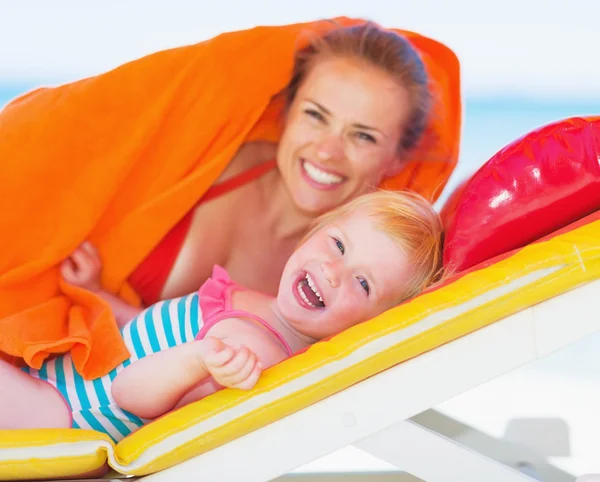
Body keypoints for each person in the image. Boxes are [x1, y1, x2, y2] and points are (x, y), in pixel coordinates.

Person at [0, 18, 461, 379]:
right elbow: (47, 146)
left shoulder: (357, 291)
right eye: (316, 116)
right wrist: (97, 291)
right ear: (287, 108)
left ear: (398, 158)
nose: (327, 151)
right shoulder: (200, 156)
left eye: (362, 136)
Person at [1, 190, 444, 442]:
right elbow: (155, 325)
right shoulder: (259, 309)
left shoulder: (253, 354)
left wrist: (196, 362)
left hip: (65, 417)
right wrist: (99, 295)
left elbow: (129, 394)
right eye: (338, 245)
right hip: (58, 384)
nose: (333, 270)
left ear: (372, 323)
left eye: (363, 284)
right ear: (315, 230)